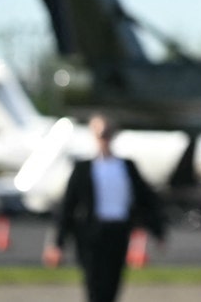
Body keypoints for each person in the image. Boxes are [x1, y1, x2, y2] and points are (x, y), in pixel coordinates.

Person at [43, 114, 167, 302]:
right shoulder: (83, 168)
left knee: (113, 283)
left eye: (107, 133)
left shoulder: (126, 166)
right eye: (100, 133)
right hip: (90, 234)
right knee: (94, 283)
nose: (104, 138)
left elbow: (146, 199)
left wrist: (158, 231)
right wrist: (57, 243)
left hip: (118, 230)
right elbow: (68, 206)